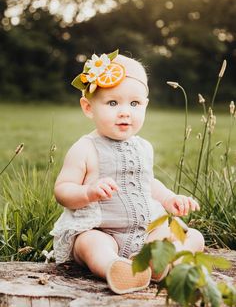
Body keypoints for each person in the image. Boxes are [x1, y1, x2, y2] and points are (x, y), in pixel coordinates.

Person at [50, 50, 204, 294]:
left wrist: (169, 198)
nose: (125, 112)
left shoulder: (143, 147)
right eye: (113, 103)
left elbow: (147, 182)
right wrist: (88, 192)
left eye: (134, 104)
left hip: (144, 231)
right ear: (88, 107)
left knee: (193, 236)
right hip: (102, 231)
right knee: (89, 244)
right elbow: (62, 190)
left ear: (145, 105)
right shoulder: (85, 148)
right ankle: (116, 267)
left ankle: (155, 262)